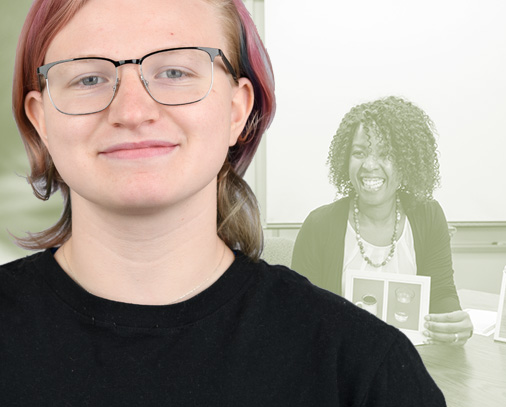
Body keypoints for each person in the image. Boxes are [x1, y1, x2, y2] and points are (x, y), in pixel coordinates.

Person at [0, 0, 446, 405]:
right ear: (41, 121)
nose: (132, 111)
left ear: (238, 111)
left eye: (175, 73)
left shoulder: (365, 369)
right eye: (89, 78)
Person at [292, 96, 473, 346]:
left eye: (386, 154)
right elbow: (298, 315)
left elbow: (442, 295)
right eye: (359, 153)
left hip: (411, 362)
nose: (369, 165)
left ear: (407, 163)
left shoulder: (428, 216)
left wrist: (453, 324)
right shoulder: (319, 225)